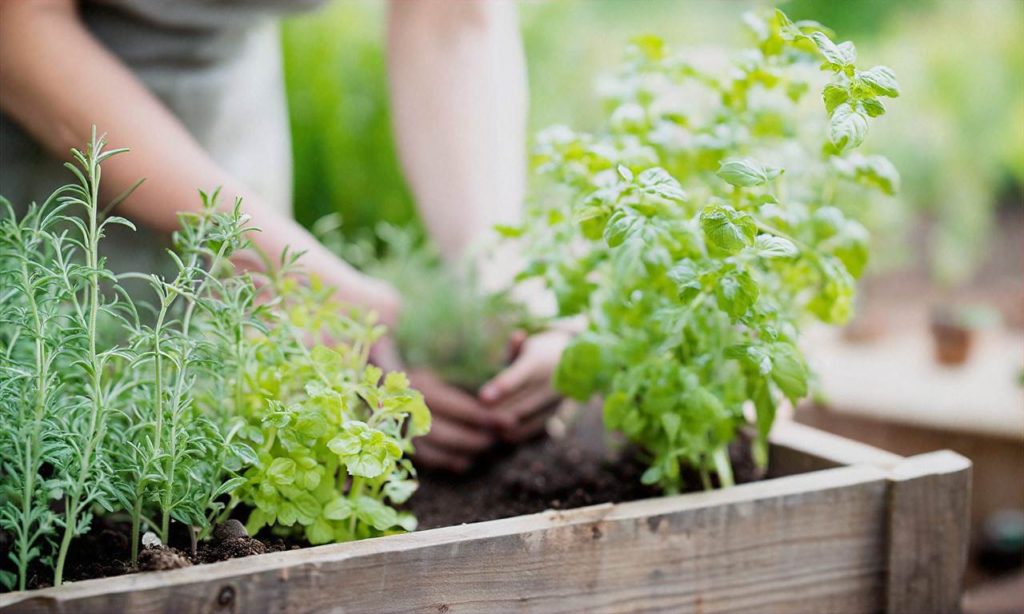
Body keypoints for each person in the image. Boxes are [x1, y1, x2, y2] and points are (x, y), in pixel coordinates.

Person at [0, 0, 568, 472]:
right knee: (55, 423)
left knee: (222, 444)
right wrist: (290, 269)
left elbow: (450, 16)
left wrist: (493, 276)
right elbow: (20, 30)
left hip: (226, 123)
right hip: (43, 128)